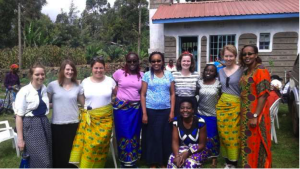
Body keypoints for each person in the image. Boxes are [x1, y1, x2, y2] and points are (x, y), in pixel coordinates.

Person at [69, 57, 116, 168]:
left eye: (101, 68)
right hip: (89, 120)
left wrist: (112, 103)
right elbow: (77, 96)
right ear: (91, 68)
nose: (98, 70)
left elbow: (118, 95)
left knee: (99, 145)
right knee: (89, 146)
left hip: (105, 120)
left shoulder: (110, 81)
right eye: (96, 68)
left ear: (105, 68)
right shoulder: (85, 82)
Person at [47, 60, 85, 168]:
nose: (70, 71)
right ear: (62, 70)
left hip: (74, 123)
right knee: (59, 152)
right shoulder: (52, 85)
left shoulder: (78, 86)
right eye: (67, 69)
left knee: (72, 152)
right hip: (57, 124)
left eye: (72, 69)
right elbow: (46, 104)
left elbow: (84, 104)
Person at [239, 45, 272, 168]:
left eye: (250, 53)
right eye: (244, 54)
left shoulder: (261, 70)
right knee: (247, 143)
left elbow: (263, 96)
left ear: (256, 55)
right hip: (245, 114)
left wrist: (254, 116)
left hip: (256, 114)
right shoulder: (247, 71)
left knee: (257, 143)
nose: (247, 56)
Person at [141, 51, 175, 168]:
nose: (156, 63)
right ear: (150, 63)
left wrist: (171, 111)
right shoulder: (147, 75)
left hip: (165, 111)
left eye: (158, 60)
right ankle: (152, 162)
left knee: (165, 137)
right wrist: (144, 113)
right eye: (153, 61)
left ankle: (163, 162)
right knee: (152, 137)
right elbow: (143, 94)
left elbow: (172, 94)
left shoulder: (169, 75)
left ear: (162, 61)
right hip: (151, 110)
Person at [14, 63, 52, 168]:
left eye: (42, 74)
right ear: (31, 75)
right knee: (41, 159)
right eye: (37, 74)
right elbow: (18, 116)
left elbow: (42, 105)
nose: (40, 77)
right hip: (31, 126)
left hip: (44, 123)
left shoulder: (44, 88)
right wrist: (20, 139)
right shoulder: (24, 91)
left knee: (48, 154)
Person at [112, 52, 144, 167]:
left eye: (134, 61)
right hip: (121, 110)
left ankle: (133, 160)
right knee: (123, 134)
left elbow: (143, 91)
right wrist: (117, 93)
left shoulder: (142, 75)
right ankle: (123, 160)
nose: (132, 63)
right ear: (126, 62)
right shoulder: (118, 73)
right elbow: (112, 84)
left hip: (136, 109)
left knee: (134, 134)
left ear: (138, 61)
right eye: (129, 61)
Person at [216, 45, 243, 168]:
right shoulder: (220, 71)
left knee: (233, 134)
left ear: (235, 56)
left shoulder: (242, 70)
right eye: (226, 56)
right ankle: (227, 161)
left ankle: (233, 162)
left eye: (231, 56)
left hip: (235, 105)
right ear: (222, 56)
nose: (228, 58)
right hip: (222, 105)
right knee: (223, 134)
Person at [167, 99, 208, 169]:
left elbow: (202, 145)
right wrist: (177, 156)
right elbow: (175, 141)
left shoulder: (200, 122)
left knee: (189, 163)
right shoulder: (176, 121)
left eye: (188, 108)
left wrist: (187, 153)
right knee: (172, 160)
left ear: (192, 110)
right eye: (182, 108)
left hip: (198, 150)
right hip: (183, 148)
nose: (185, 110)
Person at [197, 64, 221, 168]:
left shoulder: (219, 84)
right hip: (200, 113)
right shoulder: (199, 83)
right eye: (207, 70)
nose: (209, 72)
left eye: (211, 71)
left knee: (213, 137)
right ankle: (202, 157)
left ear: (215, 73)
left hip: (213, 114)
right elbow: (196, 96)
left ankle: (214, 158)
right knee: (201, 137)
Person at [172, 52, 199, 117]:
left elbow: (198, 90)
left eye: (188, 61)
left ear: (191, 62)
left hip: (192, 101)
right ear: (180, 62)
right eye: (184, 61)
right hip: (178, 102)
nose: (186, 63)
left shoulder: (196, 75)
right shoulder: (174, 75)